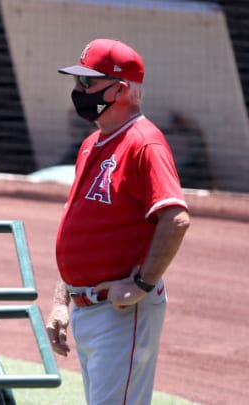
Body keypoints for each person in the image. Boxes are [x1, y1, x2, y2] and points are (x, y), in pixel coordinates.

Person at [44, 38, 191, 405]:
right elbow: (82, 228)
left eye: (88, 83)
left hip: (121, 311)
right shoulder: (93, 142)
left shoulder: (145, 143)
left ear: (121, 89)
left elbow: (175, 217)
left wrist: (143, 282)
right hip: (89, 309)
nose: (78, 91)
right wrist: (63, 299)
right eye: (78, 82)